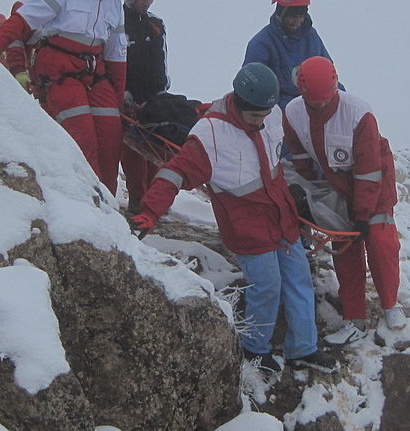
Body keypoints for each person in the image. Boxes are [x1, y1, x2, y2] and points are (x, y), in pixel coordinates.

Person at [132, 63, 336, 374]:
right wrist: (149, 212)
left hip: (281, 217)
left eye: (266, 115)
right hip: (247, 225)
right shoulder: (210, 135)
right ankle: (255, 348)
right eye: (256, 116)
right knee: (266, 285)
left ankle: (303, 349)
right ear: (239, 104)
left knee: (299, 278)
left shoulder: (271, 115)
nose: (262, 121)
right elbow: (174, 173)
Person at [0, 0, 131, 196]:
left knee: (111, 136)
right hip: (59, 68)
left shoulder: (115, 4)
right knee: (82, 136)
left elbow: (116, 53)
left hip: (94, 72)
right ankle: (88, 200)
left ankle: (107, 201)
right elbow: (24, 20)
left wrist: (117, 99)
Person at [283, 56, 404, 345]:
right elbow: (299, 155)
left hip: (374, 178)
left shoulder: (359, 114)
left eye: (326, 101)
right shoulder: (293, 113)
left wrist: (362, 213)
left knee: (379, 238)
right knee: (344, 242)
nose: (321, 107)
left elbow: (368, 168)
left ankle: (390, 305)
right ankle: (355, 318)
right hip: (335, 181)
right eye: (315, 102)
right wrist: (310, 192)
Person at [243, 0, 337, 109]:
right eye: (293, 16)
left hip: (315, 102)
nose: (297, 22)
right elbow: (252, 89)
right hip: (280, 112)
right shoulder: (261, 44)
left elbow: (329, 74)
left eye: (301, 16)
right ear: (281, 13)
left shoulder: (311, 37)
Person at [120, 0, 169, 214]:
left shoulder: (155, 26)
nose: (146, 2)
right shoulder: (116, 22)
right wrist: (122, 92)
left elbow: (161, 61)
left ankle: (154, 202)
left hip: (152, 99)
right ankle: (137, 201)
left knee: (155, 152)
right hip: (126, 99)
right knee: (132, 155)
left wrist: (162, 90)